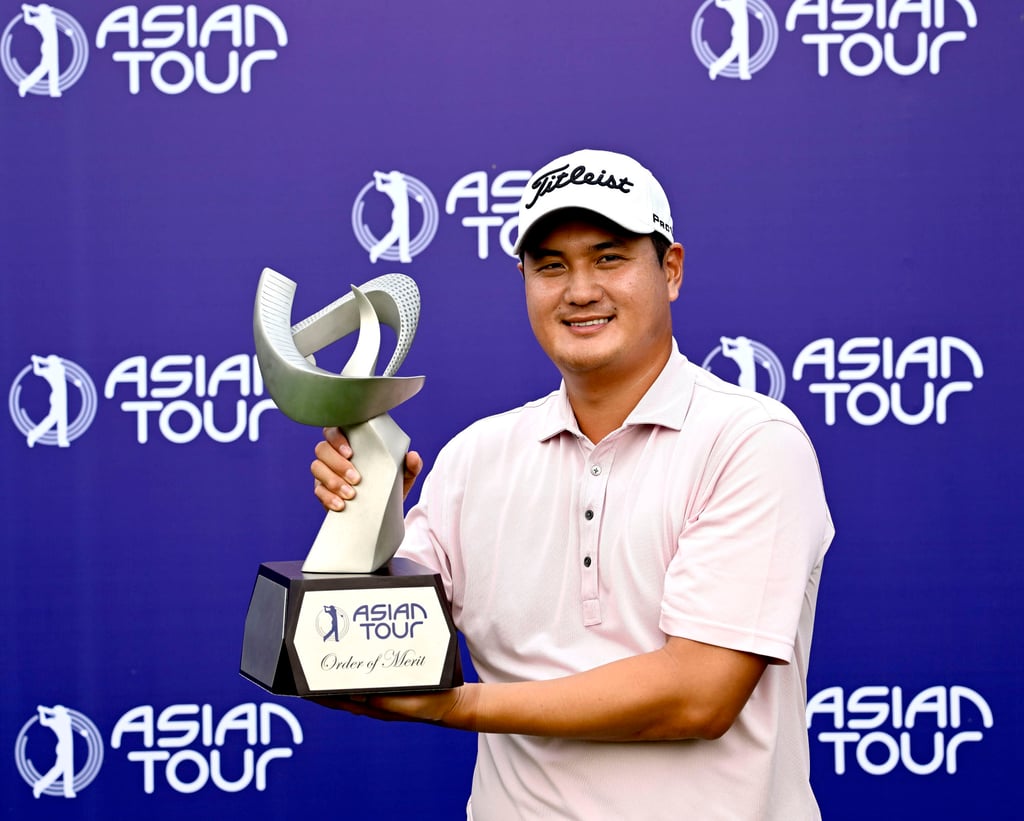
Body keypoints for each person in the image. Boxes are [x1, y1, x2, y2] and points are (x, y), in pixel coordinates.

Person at [311, 148, 834, 820]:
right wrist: (367, 511)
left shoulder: (752, 442)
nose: (579, 289)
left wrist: (459, 704)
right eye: (551, 265)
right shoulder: (475, 456)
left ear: (670, 270)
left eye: (609, 257)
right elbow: (377, 642)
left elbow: (697, 696)